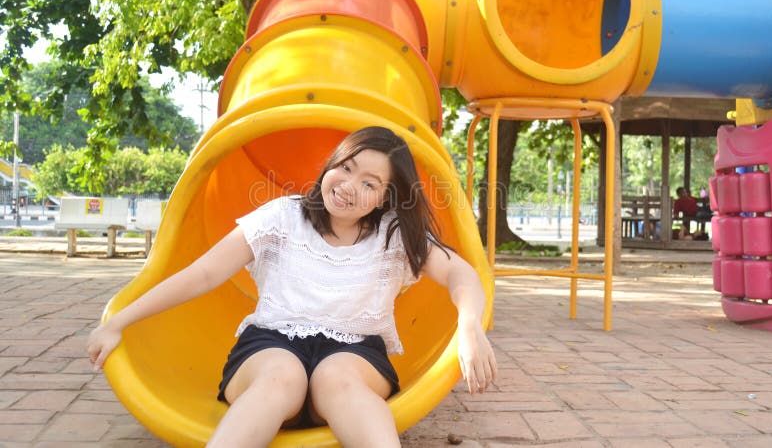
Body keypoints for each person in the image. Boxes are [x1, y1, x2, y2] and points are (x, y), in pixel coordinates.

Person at [87, 126, 497, 447]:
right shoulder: (283, 218)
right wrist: (120, 320)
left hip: (353, 353)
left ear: (385, 199)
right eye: (346, 167)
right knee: (282, 376)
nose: (350, 185)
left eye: (370, 183)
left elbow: (462, 275)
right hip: (269, 344)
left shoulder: (393, 236)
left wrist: (468, 326)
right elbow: (204, 273)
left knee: (338, 379)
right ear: (330, 164)